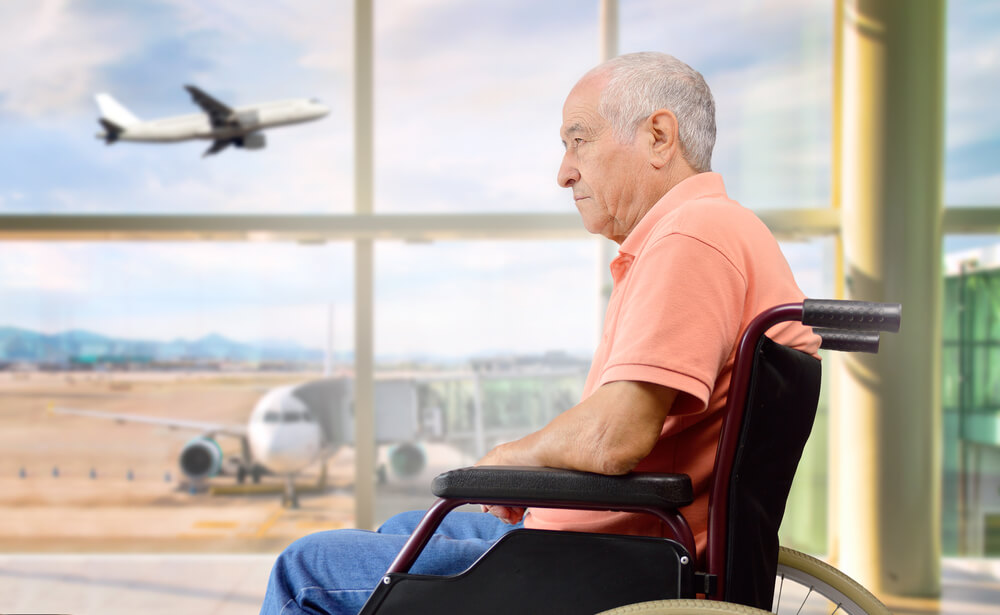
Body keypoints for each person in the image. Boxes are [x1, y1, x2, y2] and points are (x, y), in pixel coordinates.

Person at [259, 51, 819, 615]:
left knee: (305, 568)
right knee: (401, 530)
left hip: (597, 562)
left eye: (579, 141)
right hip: (604, 540)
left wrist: (510, 460)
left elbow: (614, 437)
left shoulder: (691, 238)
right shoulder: (725, 232)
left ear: (658, 135)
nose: (564, 172)